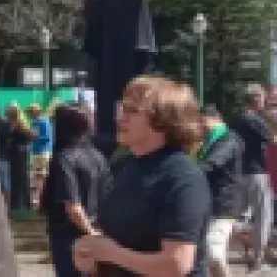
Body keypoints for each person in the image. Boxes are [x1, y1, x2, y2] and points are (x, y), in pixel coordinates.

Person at [73, 75, 210, 277]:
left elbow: (177, 263)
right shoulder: (124, 166)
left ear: (163, 121)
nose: (121, 117)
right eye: (122, 107)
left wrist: (111, 254)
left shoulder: (183, 177)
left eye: (132, 110)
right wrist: (92, 257)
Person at [40, 104, 108, 277]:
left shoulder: (64, 158)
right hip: (97, 228)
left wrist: (90, 232)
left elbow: (73, 206)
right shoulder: (98, 156)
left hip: (70, 234)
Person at [196, 104, 244, 277]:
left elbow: (213, 163)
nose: (201, 128)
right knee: (211, 254)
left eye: (202, 123)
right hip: (209, 203)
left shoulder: (229, 139)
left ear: (215, 118)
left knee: (213, 252)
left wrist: (187, 173)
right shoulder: (209, 141)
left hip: (225, 205)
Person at [230, 83, 273, 271]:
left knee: (238, 217)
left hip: (239, 173)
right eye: (262, 97)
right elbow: (273, 140)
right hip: (257, 174)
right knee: (263, 216)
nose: (264, 101)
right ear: (255, 98)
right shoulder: (255, 120)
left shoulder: (236, 120)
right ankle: (258, 261)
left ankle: (227, 248)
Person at [27, 103, 53, 206]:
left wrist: (35, 136)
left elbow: (47, 137)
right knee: (38, 175)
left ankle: (40, 198)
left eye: (30, 112)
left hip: (43, 152)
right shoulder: (35, 122)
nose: (29, 115)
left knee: (41, 175)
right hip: (37, 152)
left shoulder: (43, 122)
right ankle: (38, 198)